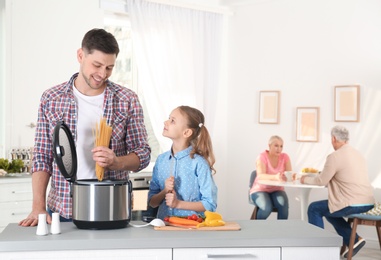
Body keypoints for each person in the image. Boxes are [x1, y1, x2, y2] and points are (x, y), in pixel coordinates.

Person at [19, 28, 151, 226]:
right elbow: (42, 156)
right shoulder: (51, 98)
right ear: (80, 55)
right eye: (97, 65)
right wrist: (38, 206)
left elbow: (143, 154)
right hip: (63, 208)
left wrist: (116, 162)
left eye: (109, 68)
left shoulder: (127, 99)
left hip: (112, 208)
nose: (102, 74)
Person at [301, 125, 374, 258]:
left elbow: (321, 181)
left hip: (352, 203)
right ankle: (354, 239)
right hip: (368, 201)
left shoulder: (335, 156)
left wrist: (304, 179)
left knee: (314, 208)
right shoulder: (358, 154)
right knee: (330, 209)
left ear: (333, 139)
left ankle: (318, 250)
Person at [148, 106, 217, 220]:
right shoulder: (161, 161)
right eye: (168, 118)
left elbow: (210, 204)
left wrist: (178, 204)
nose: (166, 122)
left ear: (186, 132)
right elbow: (152, 203)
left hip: (192, 230)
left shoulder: (199, 163)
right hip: (164, 228)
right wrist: (164, 191)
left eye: (172, 121)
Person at [249, 135, 292, 219]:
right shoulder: (262, 157)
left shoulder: (285, 157)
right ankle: (256, 229)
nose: (279, 149)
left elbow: (289, 174)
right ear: (269, 146)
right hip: (260, 190)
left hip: (277, 189)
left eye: (281, 146)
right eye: (276, 145)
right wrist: (276, 177)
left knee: (284, 207)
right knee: (266, 209)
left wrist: (290, 177)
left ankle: (280, 231)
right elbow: (261, 176)